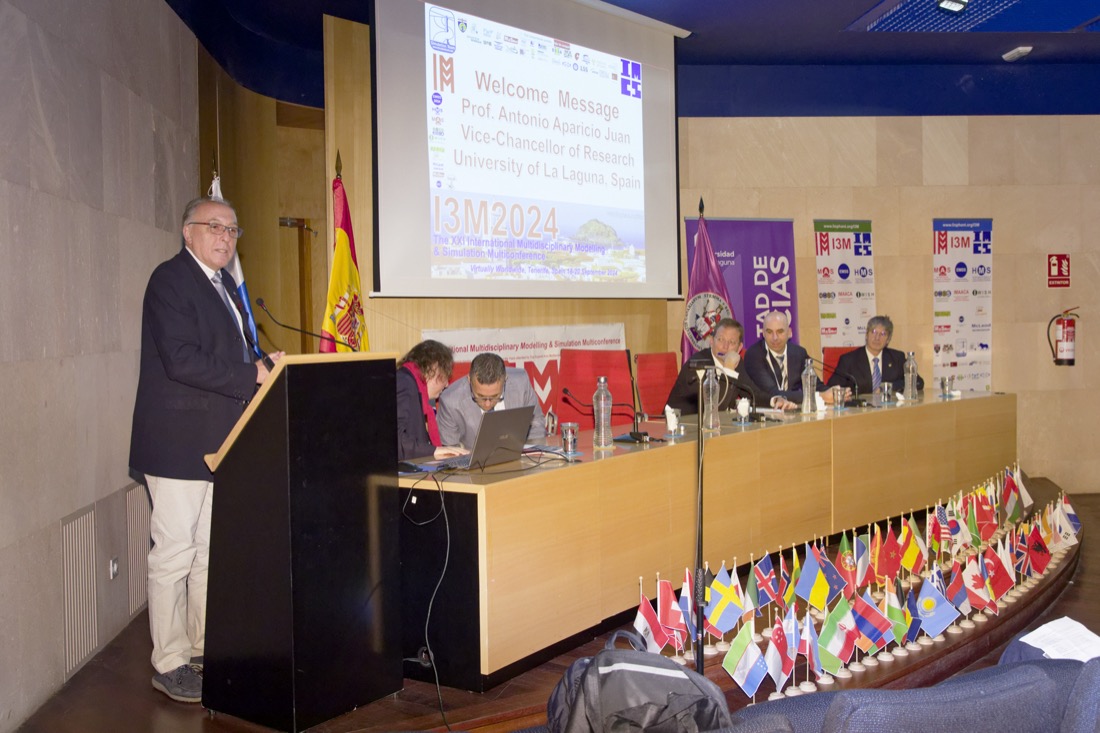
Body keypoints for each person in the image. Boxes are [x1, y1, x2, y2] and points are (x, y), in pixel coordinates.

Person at [129, 196, 284, 703]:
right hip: (178, 446)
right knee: (173, 555)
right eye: (214, 227)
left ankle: (200, 649)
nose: (225, 237)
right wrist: (250, 374)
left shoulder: (226, 290)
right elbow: (180, 360)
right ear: (187, 231)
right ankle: (168, 661)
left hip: (220, 446)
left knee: (206, 555)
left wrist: (266, 361)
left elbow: (233, 354)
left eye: (233, 230)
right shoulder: (170, 280)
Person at [666, 318, 798, 415]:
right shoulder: (696, 364)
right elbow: (715, 408)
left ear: (739, 347)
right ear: (711, 341)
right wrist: (728, 369)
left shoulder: (736, 361)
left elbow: (752, 393)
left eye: (731, 342)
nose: (725, 346)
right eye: (720, 340)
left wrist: (775, 401)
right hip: (682, 427)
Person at [437, 353, 546, 448]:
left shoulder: (521, 383)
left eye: (495, 396)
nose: (487, 404)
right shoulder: (450, 400)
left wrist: (532, 453)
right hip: (473, 466)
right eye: (480, 396)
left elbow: (536, 421)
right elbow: (450, 450)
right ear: (469, 380)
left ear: (505, 380)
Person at [744, 311, 848, 405]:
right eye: (770, 332)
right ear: (763, 333)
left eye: (780, 331)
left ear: (789, 333)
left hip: (792, 410)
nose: (775, 338)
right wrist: (820, 396)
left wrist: (835, 393)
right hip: (765, 414)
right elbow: (773, 393)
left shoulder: (798, 353)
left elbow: (816, 386)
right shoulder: (754, 355)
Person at [396, 340, 468, 461]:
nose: (446, 385)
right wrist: (434, 451)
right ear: (433, 367)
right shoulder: (404, 383)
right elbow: (394, 440)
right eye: (445, 375)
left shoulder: (410, 384)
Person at [825, 315, 924, 396]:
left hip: (890, 411)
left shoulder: (897, 358)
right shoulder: (848, 360)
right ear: (866, 335)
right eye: (874, 332)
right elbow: (832, 388)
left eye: (883, 334)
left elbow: (918, 382)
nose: (877, 338)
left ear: (888, 340)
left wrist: (888, 387)